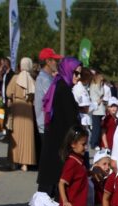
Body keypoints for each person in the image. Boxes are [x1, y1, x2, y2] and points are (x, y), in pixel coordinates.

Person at [36, 57, 81, 194]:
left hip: (55, 144)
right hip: (59, 147)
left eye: (80, 74)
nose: (78, 78)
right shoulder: (64, 90)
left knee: (48, 190)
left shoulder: (59, 85)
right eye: (76, 73)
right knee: (52, 193)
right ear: (68, 71)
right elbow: (70, 121)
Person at [5, 57, 37, 171]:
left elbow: (8, 92)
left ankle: (13, 161)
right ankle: (25, 164)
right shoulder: (32, 80)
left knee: (15, 135)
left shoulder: (15, 78)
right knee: (27, 137)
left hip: (17, 108)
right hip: (28, 108)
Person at [34, 48, 61, 137]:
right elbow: (54, 98)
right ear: (48, 61)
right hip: (44, 124)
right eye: (55, 60)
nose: (57, 62)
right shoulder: (44, 79)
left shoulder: (47, 77)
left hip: (45, 124)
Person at [89, 71, 106, 149]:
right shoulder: (94, 86)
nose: (102, 82)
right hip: (96, 109)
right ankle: (94, 143)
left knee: (98, 127)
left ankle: (95, 142)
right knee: (96, 128)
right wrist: (101, 86)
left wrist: (101, 86)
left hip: (100, 109)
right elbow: (100, 94)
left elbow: (102, 94)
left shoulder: (99, 86)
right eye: (101, 80)